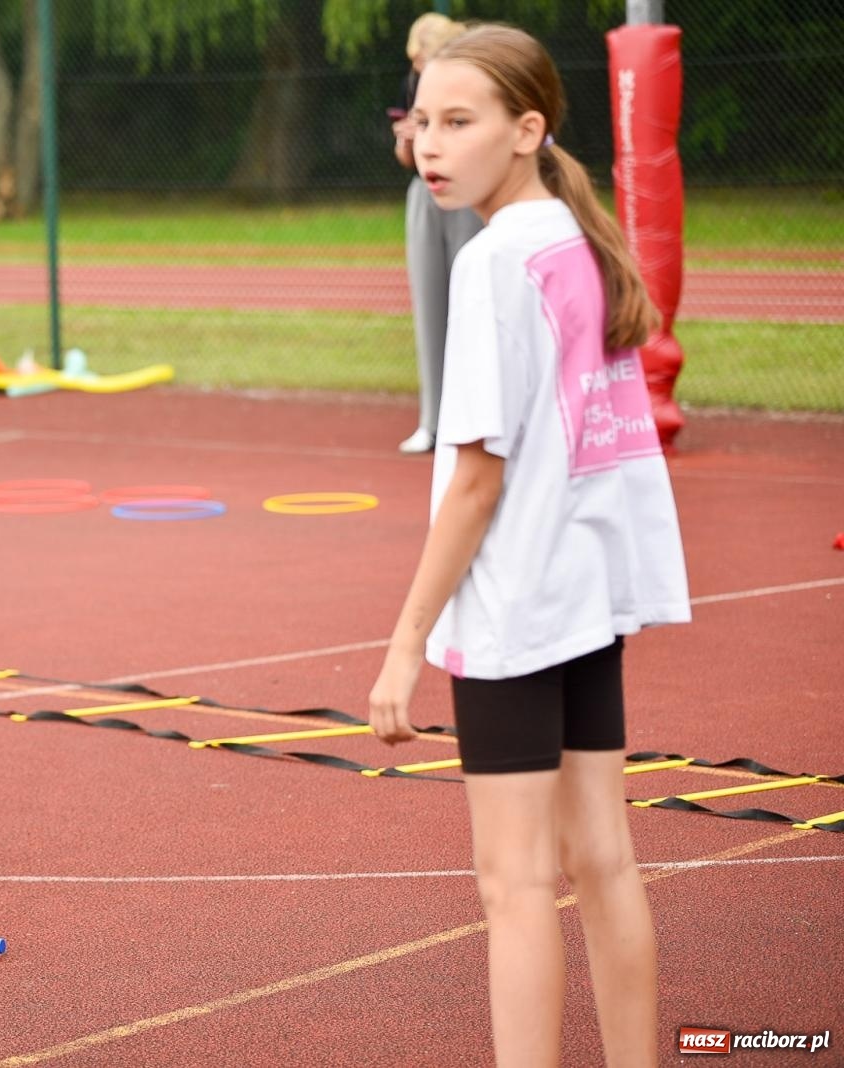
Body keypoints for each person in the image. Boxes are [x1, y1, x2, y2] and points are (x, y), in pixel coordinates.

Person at [366, 24, 690, 1067]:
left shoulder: (497, 261)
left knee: (512, 886)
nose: (431, 143)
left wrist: (405, 641)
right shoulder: (570, 236)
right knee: (602, 858)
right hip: (585, 592)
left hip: (516, 607)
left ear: (526, 129)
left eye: (459, 121)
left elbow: (474, 479)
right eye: (421, 119)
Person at [393, 13, 484, 454]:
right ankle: (432, 420)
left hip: (466, 194)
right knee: (430, 306)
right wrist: (407, 138)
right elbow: (407, 157)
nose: (415, 69)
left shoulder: (474, 82)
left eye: (420, 58)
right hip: (425, 195)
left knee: (474, 305)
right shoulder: (417, 88)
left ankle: (477, 417)